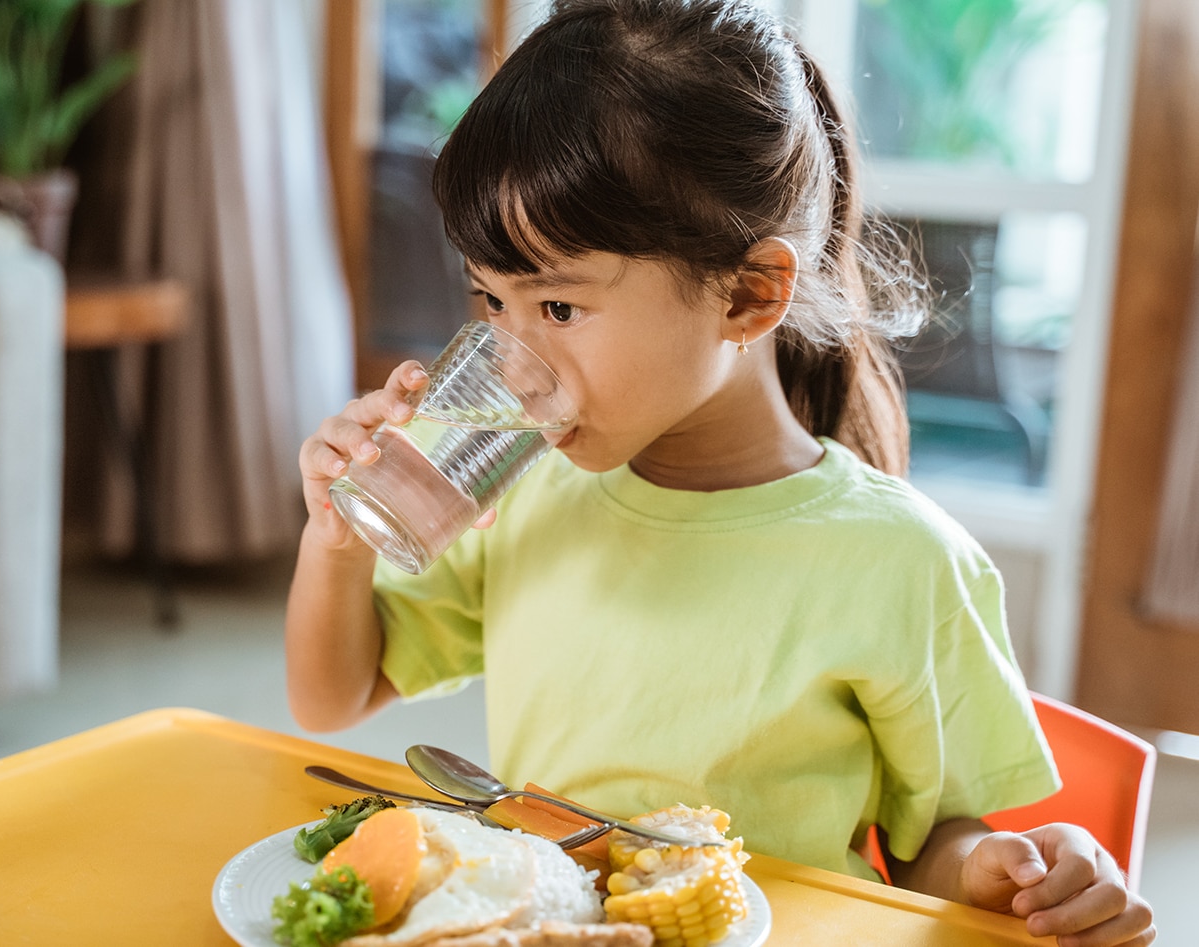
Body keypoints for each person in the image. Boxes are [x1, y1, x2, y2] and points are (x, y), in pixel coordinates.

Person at [285, 0, 1155, 943]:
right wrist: (336, 541)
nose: (508, 357)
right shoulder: (526, 493)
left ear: (747, 295)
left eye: (561, 308)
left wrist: (1000, 870)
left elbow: (929, 844)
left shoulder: (900, 562)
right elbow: (333, 696)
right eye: (492, 298)